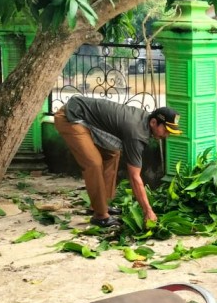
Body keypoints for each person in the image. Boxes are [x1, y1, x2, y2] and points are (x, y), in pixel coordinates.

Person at [54, 96, 182, 228]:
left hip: (85, 118)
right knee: (94, 163)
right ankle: (100, 216)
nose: (166, 135)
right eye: (166, 130)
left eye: (170, 132)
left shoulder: (144, 122)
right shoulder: (136, 133)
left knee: (112, 154)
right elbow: (134, 177)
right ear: (153, 122)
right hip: (69, 117)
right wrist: (148, 210)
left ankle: (100, 204)